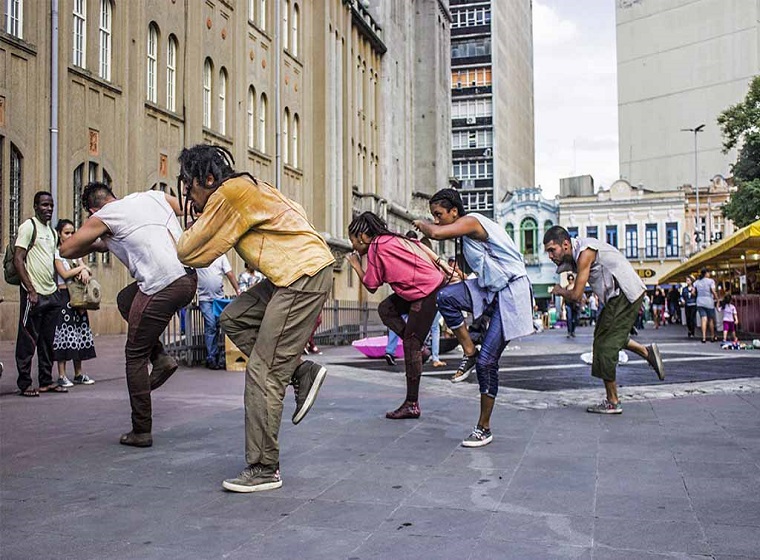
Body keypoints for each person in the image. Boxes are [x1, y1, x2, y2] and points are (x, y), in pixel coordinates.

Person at [174, 144, 333, 493]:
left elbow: (190, 251)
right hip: (297, 272)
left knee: (263, 371)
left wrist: (186, 224)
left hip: (299, 275)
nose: (189, 195)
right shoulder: (250, 186)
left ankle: (264, 467)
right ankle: (301, 371)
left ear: (209, 178)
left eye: (190, 186)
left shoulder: (228, 193)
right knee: (235, 318)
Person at [61, 182, 197, 447]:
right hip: (188, 279)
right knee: (125, 300)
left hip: (161, 285)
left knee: (134, 355)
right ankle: (159, 358)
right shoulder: (152, 197)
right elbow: (186, 207)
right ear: (114, 196)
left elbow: (67, 250)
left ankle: (141, 430)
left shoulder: (104, 216)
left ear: (91, 209)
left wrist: (96, 243)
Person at [413, 188, 534, 447]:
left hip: (511, 292)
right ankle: (469, 351)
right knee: (445, 297)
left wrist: (421, 224)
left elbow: (434, 232)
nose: (436, 220)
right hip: (490, 288)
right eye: (432, 216)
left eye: (438, 214)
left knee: (487, 362)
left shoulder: (472, 221)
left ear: (454, 212)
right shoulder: (464, 237)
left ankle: (483, 428)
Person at [543, 226, 665, 414]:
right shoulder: (577, 254)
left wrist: (560, 291)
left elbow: (576, 295)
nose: (550, 256)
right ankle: (646, 352)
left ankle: (613, 401)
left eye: (552, 250)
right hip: (618, 297)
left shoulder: (585, 253)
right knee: (604, 335)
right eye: (548, 252)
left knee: (605, 344)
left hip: (624, 294)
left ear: (565, 244)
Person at [347, 212, 448, 420]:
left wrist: (357, 266)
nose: (354, 247)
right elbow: (419, 247)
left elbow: (372, 286)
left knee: (410, 344)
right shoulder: (391, 238)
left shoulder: (375, 246)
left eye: (354, 241)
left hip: (426, 290)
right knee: (386, 309)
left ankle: (412, 404)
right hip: (425, 286)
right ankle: (420, 349)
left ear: (363, 237)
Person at [14, 192, 67, 396]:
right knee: (27, 340)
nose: (48, 209)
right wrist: (31, 289)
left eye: (51, 205)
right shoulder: (29, 227)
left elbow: (53, 261)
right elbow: (19, 259)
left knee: (47, 341)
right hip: (33, 293)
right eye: (44, 205)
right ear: (36, 206)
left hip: (51, 294)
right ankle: (25, 383)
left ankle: (46, 380)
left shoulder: (53, 233)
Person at [53, 219, 96, 388]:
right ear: (59, 234)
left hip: (78, 297)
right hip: (64, 296)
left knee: (79, 333)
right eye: (66, 233)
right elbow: (64, 273)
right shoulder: (58, 253)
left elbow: (87, 269)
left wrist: (84, 269)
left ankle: (78, 373)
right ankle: (62, 374)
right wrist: (81, 269)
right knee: (65, 335)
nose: (70, 236)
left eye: (72, 232)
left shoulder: (76, 253)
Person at [197, 254, 240, 369]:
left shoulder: (221, 256)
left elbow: (229, 273)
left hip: (218, 298)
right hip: (205, 298)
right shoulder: (199, 255)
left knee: (217, 325)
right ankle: (211, 357)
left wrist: (237, 289)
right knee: (211, 325)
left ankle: (216, 355)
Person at [694, 268, 718, 343]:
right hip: (709, 301)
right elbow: (713, 291)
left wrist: (697, 295)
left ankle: (704, 337)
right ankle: (712, 336)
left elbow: (692, 292)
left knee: (703, 319)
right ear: (706, 273)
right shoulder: (711, 281)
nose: (709, 274)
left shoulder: (696, 282)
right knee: (710, 320)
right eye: (709, 273)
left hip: (700, 302)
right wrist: (717, 299)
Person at [564, 273, 579, 338]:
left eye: (571, 279)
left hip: (575, 304)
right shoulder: (566, 287)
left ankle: (573, 330)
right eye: (569, 279)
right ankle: (569, 332)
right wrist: (562, 305)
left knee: (575, 319)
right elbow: (564, 296)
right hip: (568, 304)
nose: (570, 281)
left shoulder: (576, 287)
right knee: (569, 318)